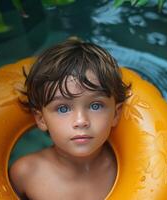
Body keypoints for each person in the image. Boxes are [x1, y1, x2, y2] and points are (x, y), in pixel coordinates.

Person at [9, 39, 131, 200]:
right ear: (41, 119)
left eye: (95, 105)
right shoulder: (25, 173)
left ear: (115, 114)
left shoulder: (127, 165)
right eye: (63, 108)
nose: (81, 121)